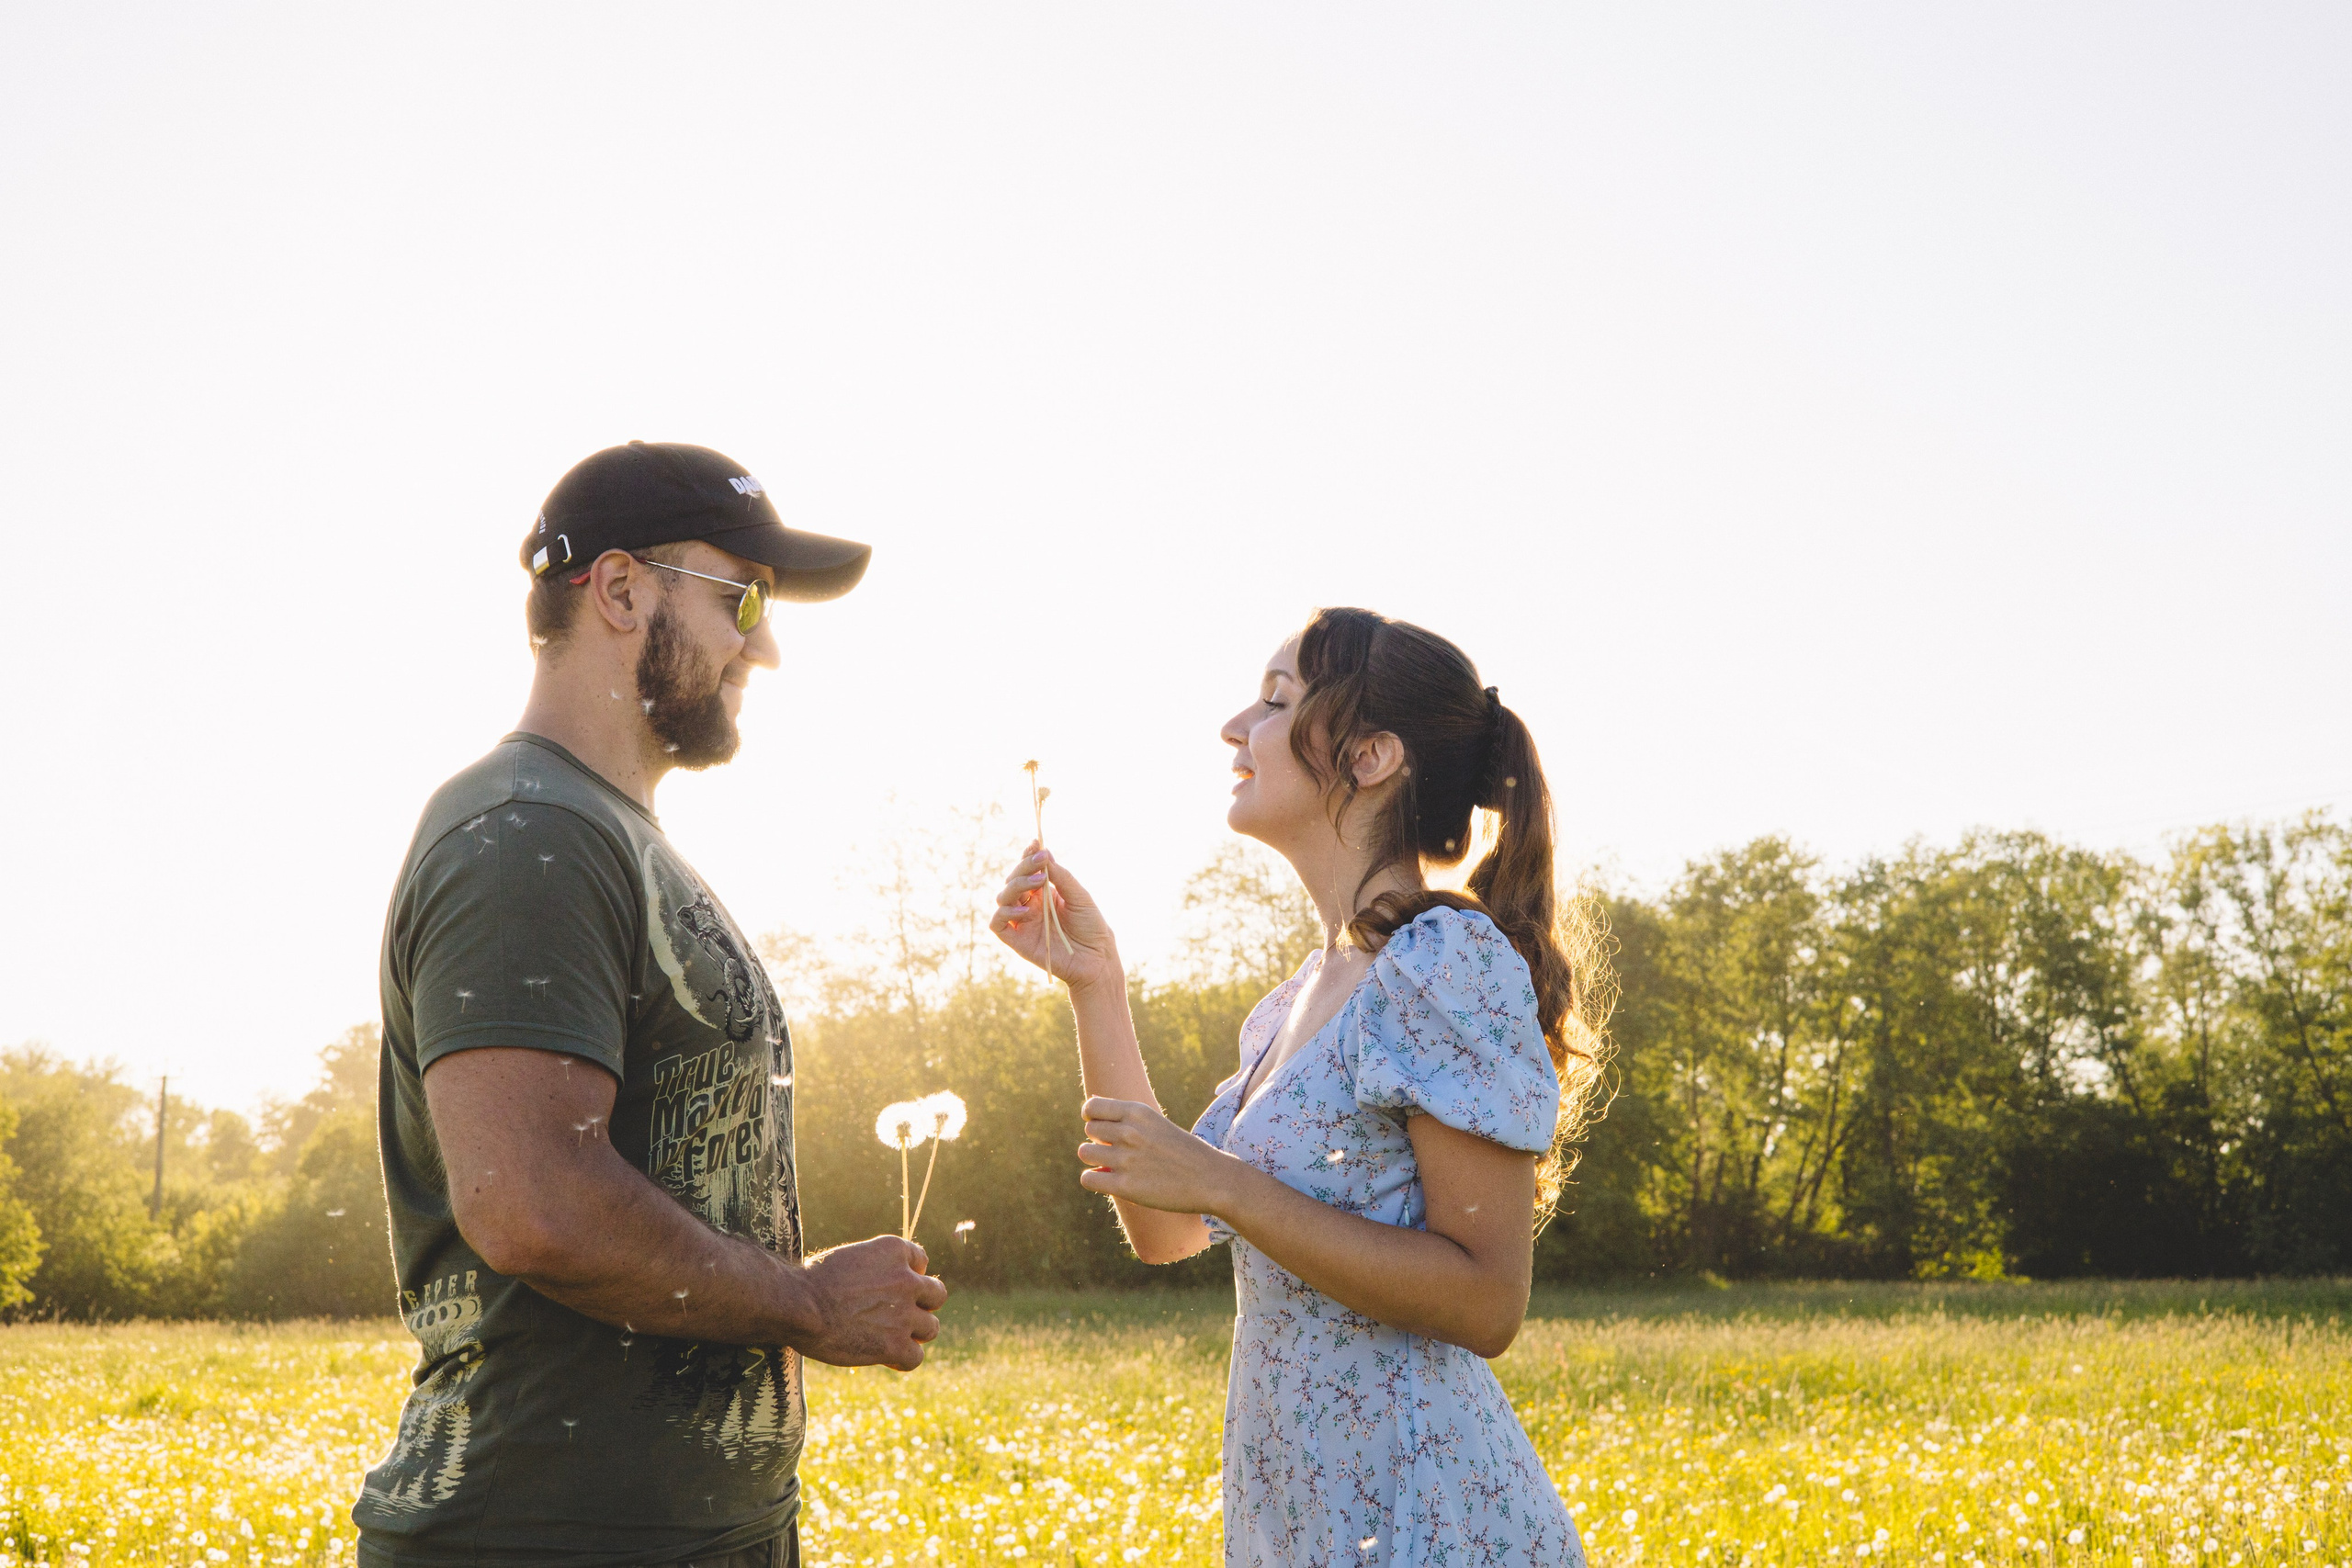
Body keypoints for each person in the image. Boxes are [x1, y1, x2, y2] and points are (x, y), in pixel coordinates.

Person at [359, 441, 947, 1568]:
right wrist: (810, 1303)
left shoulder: (610, 836)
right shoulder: (524, 834)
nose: (763, 645)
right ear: (620, 590)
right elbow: (532, 1202)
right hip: (545, 1537)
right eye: (744, 598)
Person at [990, 606, 1609, 1568]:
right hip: (1302, 1517)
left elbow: (1488, 1302)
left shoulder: (1441, 960)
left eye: (1277, 701)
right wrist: (1095, 985)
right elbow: (1167, 1228)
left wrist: (1227, 1185)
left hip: (1427, 1520)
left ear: (1368, 758)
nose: (1235, 725)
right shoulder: (1288, 1005)